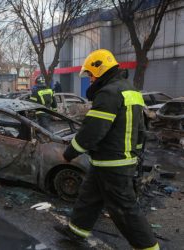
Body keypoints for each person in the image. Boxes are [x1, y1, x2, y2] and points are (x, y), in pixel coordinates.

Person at [58, 49, 158, 250]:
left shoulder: (108, 93)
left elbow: (92, 131)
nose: (90, 78)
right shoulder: (131, 91)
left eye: (90, 73)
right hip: (111, 160)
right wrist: (135, 153)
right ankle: (76, 231)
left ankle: (148, 247)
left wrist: (70, 152)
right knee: (89, 197)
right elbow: (141, 129)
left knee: (123, 209)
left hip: (113, 162)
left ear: (100, 69)